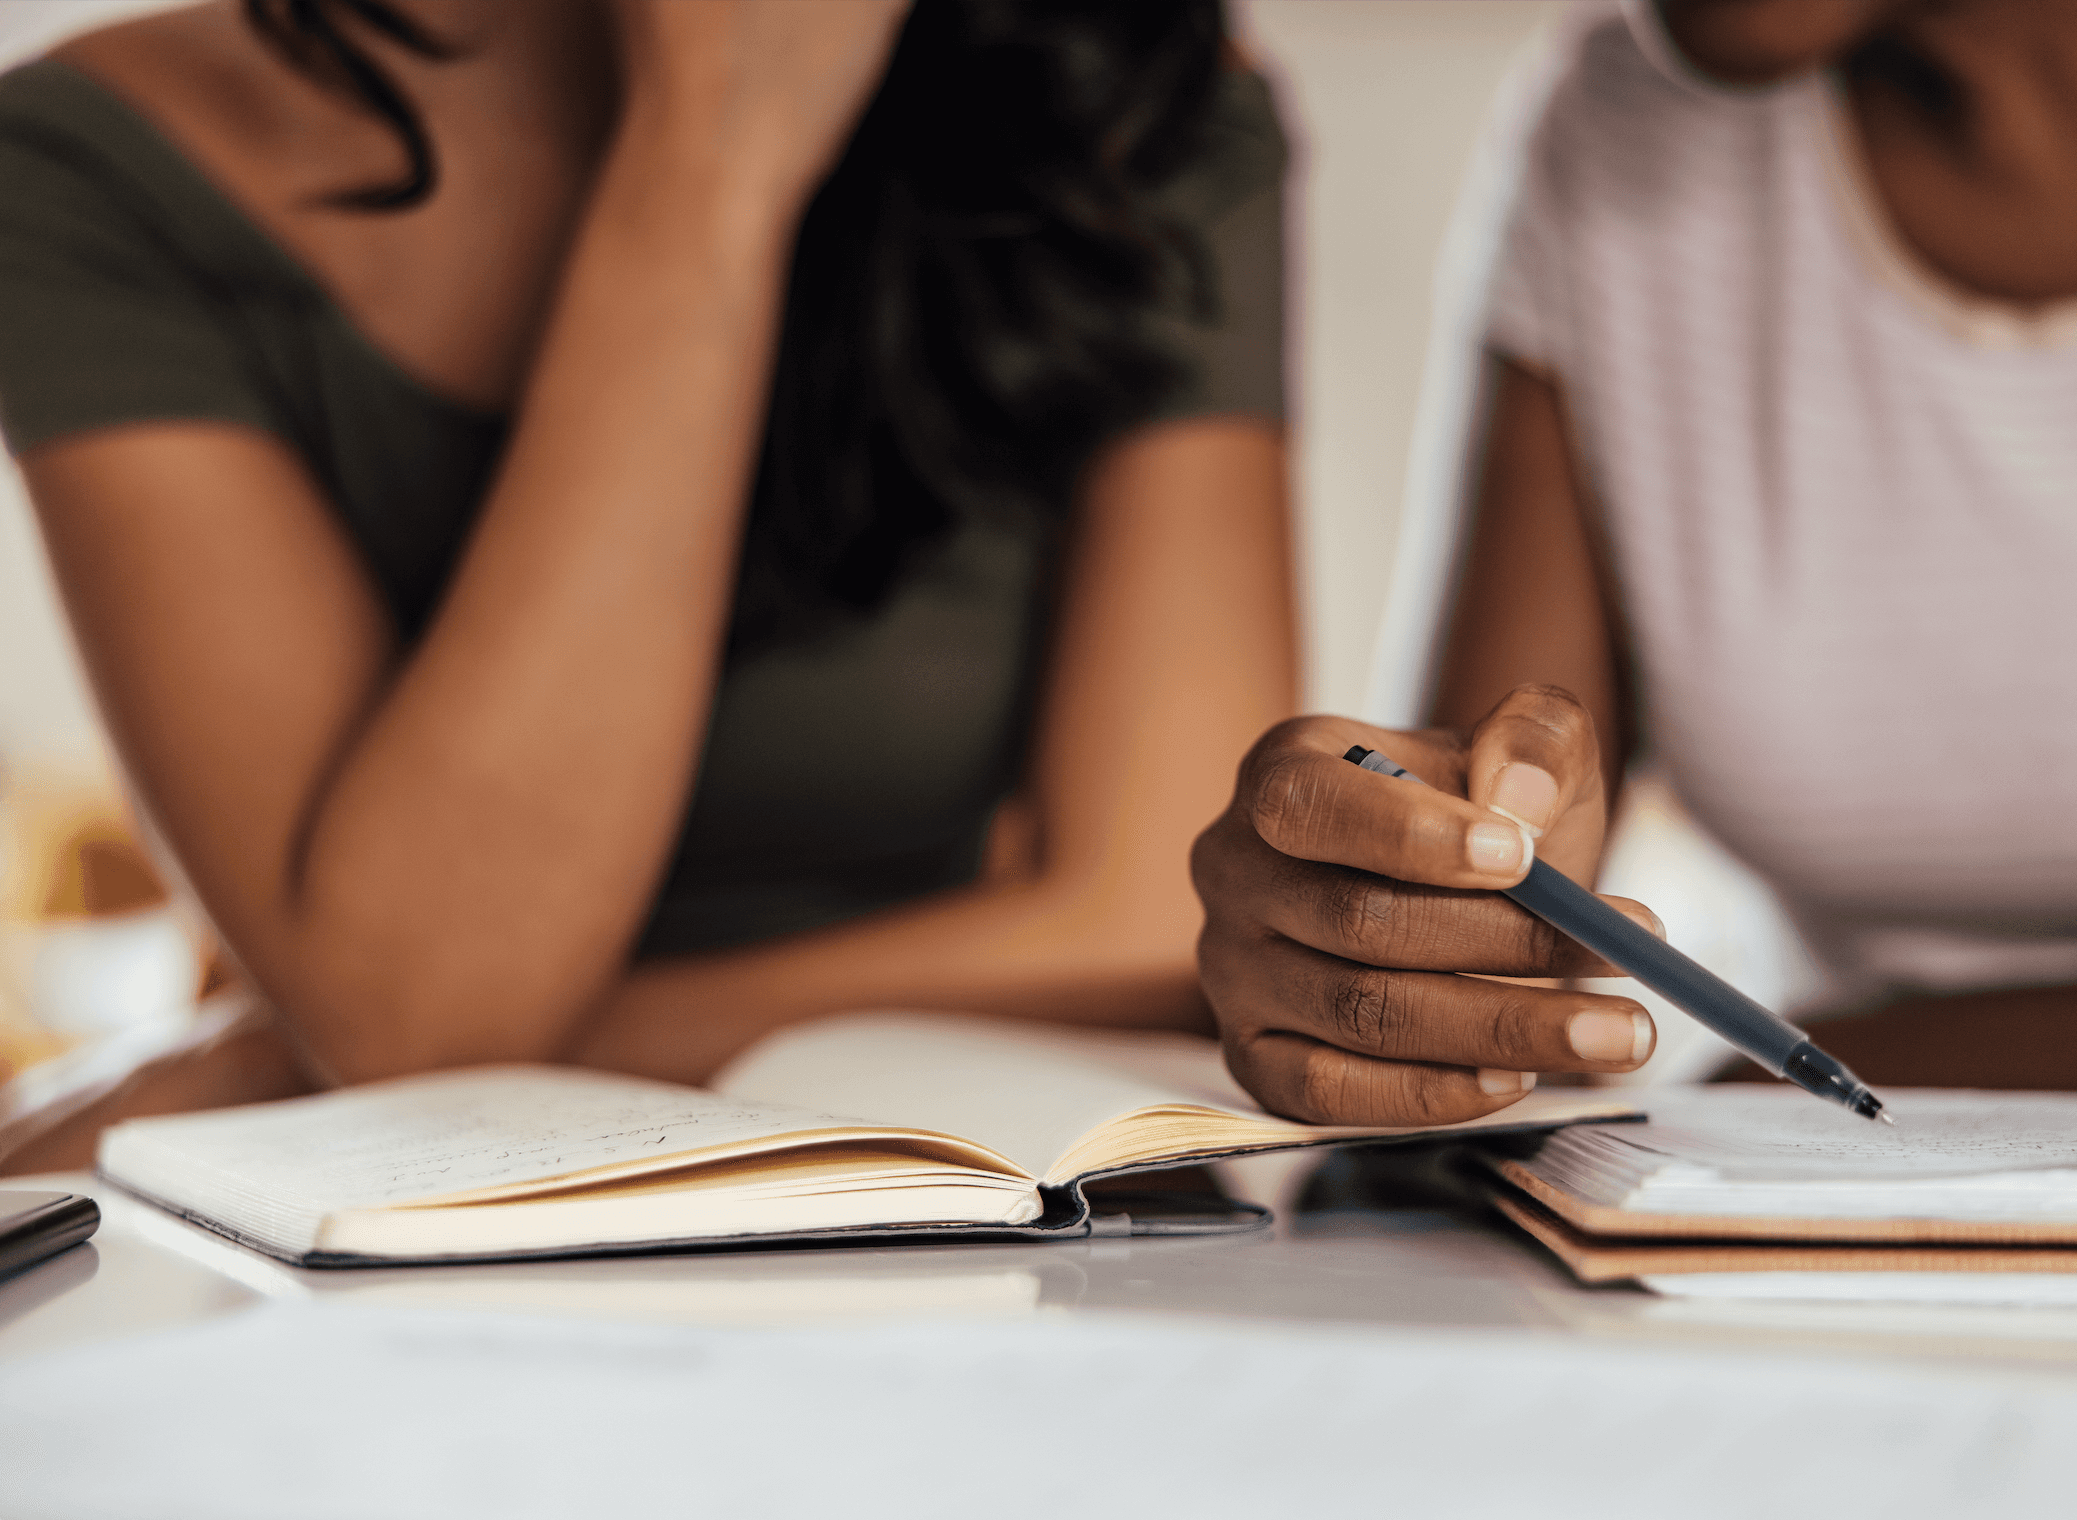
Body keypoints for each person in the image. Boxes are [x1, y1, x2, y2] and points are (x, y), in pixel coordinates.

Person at [0, 0, 1293, 1150]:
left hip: (941, 1193)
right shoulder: (88, 170)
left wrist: (308, 1061)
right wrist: (709, 158)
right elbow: (438, 984)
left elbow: (1170, 905)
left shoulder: (1122, 94)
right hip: (396, 1233)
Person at [1193, 0, 2077, 1125]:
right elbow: (1503, 929)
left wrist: (1793, 1070)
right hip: (1820, 1212)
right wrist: (1378, 919)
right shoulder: (1620, 123)